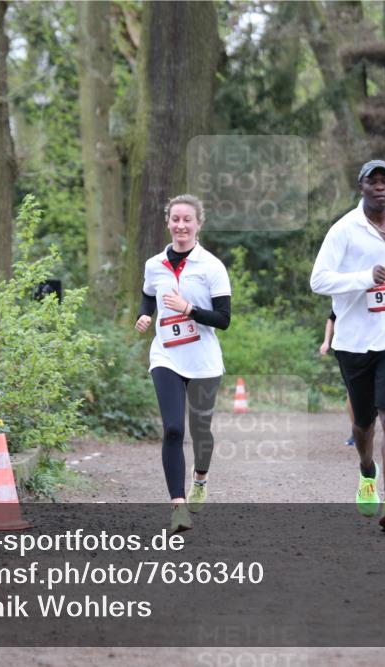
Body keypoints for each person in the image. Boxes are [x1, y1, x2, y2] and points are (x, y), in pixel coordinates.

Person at [309, 159, 385, 532]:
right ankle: (366, 469)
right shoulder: (343, 230)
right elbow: (318, 280)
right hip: (355, 341)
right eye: (372, 181)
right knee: (364, 422)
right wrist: (363, 278)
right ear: (361, 186)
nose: (380, 186)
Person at [135, 194, 231, 533]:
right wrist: (145, 314)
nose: (180, 225)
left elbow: (223, 319)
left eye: (187, 219)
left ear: (198, 224)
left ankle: (200, 479)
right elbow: (149, 292)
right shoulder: (154, 264)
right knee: (174, 428)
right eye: (175, 219)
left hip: (203, 360)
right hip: (167, 355)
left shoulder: (212, 266)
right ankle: (178, 506)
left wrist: (187, 308)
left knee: (201, 430)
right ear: (168, 222)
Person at [318, 310, 355, 446]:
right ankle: (357, 430)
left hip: (377, 347)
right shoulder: (348, 292)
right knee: (352, 392)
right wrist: (326, 341)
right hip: (349, 349)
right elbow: (332, 318)